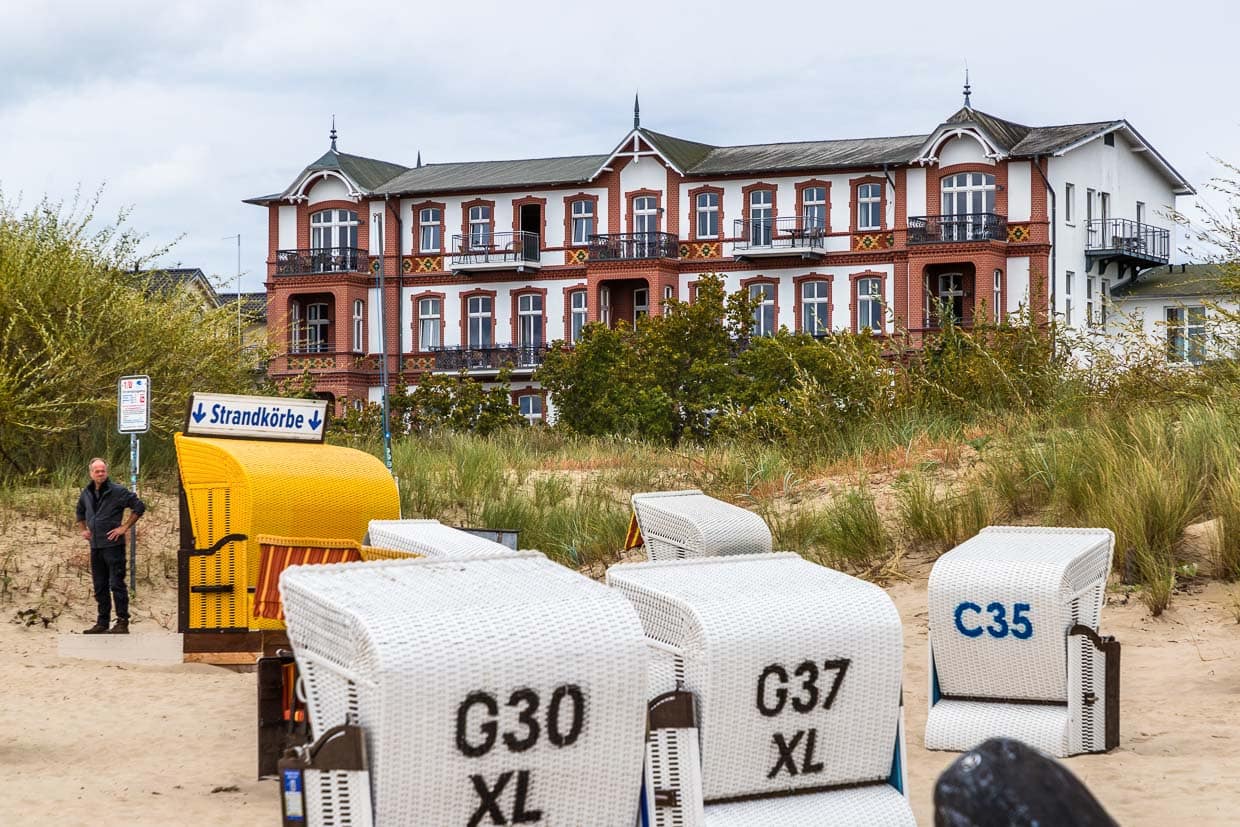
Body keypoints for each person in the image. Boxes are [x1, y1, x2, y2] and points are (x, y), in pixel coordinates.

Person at [75, 458, 145, 634]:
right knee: (100, 586)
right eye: (97, 471)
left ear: (107, 472)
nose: (100, 473)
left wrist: (124, 527)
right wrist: (83, 529)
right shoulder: (87, 492)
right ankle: (102, 622)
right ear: (91, 473)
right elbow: (80, 511)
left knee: (116, 584)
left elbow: (139, 507)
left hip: (113, 545)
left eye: (103, 470)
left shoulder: (118, 491)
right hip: (95, 546)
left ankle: (122, 622)